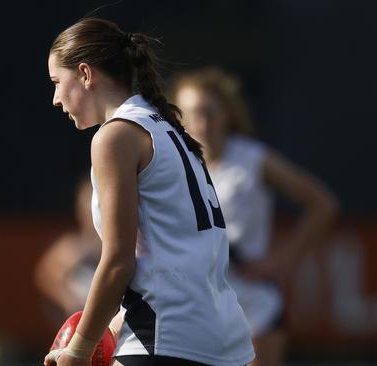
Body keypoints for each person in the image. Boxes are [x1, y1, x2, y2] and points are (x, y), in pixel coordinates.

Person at [45, 18, 255, 366]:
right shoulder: (170, 130)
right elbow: (164, 261)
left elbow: (118, 262)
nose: (55, 99)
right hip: (224, 340)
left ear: (85, 73)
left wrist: (80, 349)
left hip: (169, 337)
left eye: (56, 82)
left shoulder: (115, 136)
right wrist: (109, 330)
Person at [171, 67, 338, 366]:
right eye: (192, 112)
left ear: (227, 115)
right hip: (196, 308)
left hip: (252, 306)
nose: (202, 121)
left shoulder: (253, 159)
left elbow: (322, 204)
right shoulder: (172, 167)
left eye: (210, 112)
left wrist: (284, 261)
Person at [35, 178, 101, 319]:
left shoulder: (114, 246)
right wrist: (69, 302)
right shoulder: (69, 246)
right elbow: (45, 275)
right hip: (76, 322)